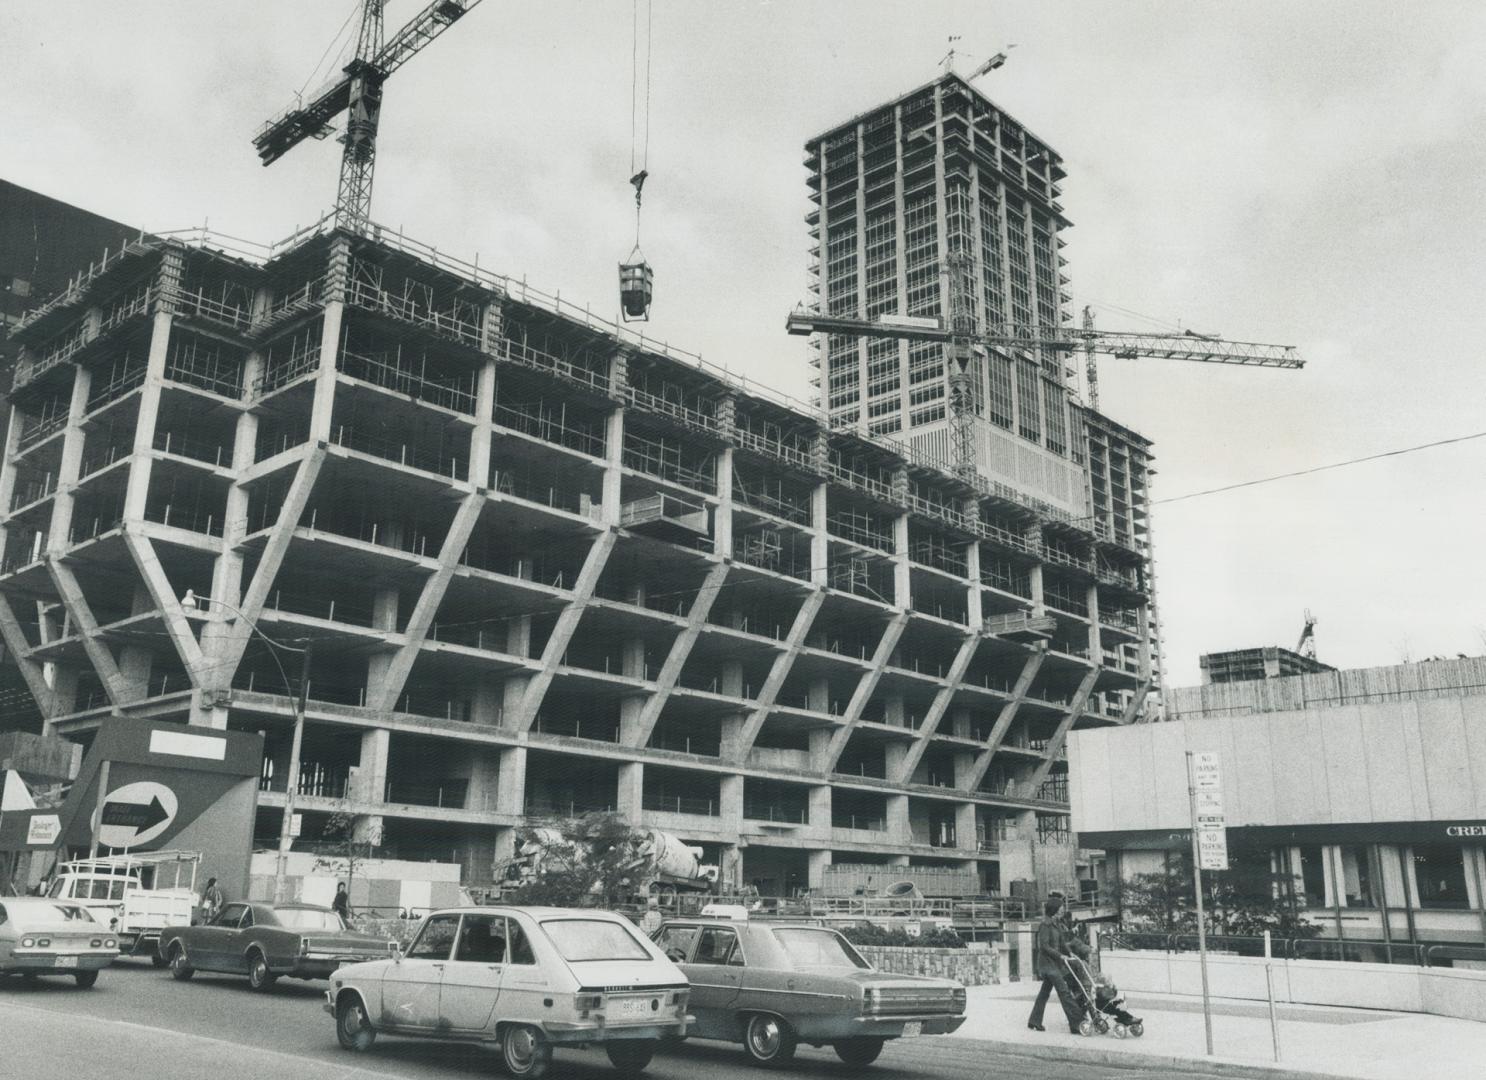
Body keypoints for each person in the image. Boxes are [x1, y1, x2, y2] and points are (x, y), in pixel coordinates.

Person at [1027, 897, 1089, 1034]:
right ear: (1054, 909)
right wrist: (1060, 956)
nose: (1063, 910)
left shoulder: (1056, 924)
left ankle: (1034, 1021)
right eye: (1061, 908)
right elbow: (1044, 946)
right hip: (1047, 964)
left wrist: (1071, 954)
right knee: (1064, 992)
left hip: (1054, 964)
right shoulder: (1045, 925)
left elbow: (1062, 943)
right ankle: (1076, 1024)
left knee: (1044, 994)